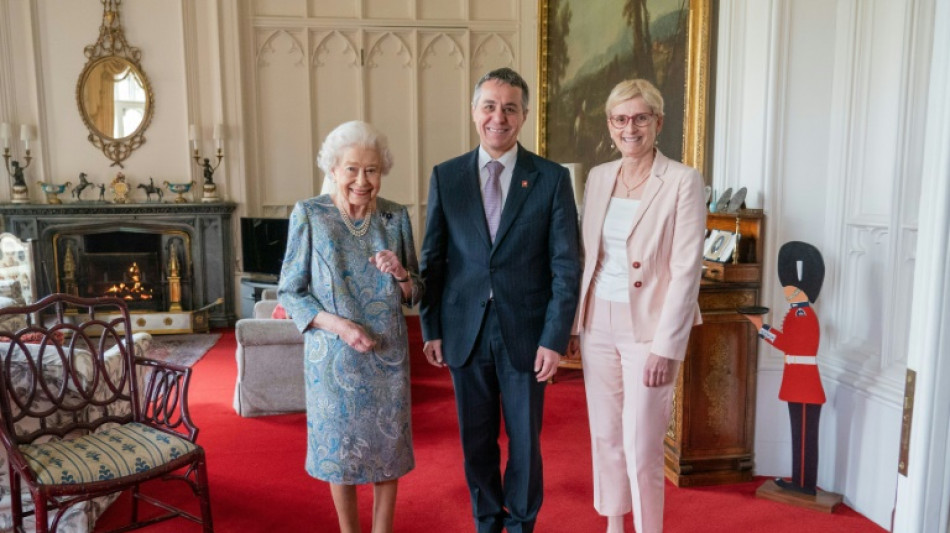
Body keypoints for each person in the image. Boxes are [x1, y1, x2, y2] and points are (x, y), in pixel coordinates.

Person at [419, 67, 581, 533]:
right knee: (476, 441)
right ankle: (486, 522)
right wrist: (431, 327)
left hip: (528, 335)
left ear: (524, 115)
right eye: (489, 106)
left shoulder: (550, 179)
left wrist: (555, 337)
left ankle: (521, 525)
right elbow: (433, 259)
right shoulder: (446, 177)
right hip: (464, 332)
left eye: (510, 108)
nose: (499, 117)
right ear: (474, 113)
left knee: (525, 443)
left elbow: (566, 264)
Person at [567, 79, 706, 533]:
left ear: (658, 123)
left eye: (641, 118)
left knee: (642, 443)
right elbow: (589, 257)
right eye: (621, 119)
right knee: (606, 435)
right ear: (610, 125)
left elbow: (687, 270)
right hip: (597, 323)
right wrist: (575, 323)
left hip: (649, 328)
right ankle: (613, 524)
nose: (631, 127)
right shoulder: (600, 177)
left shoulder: (683, 180)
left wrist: (668, 346)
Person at [277, 120, 422, 533]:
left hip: (387, 355)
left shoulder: (395, 218)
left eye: (372, 170)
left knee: (388, 450)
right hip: (332, 355)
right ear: (334, 170)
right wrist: (338, 326)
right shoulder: (310, 214)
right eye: (352, 169)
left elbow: (417, 292)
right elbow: (290, 291)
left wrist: (402, 275)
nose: (362, 180)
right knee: (340, 454)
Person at [742, 241, 826, 496]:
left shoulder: (803, 315)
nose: (787, 294)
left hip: (803, 383)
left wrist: (761, 327)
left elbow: (789, 344)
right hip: (799, 381)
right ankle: (800, 481)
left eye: (791, 291)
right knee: (800, 435)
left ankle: (804, 485)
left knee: (803, 437)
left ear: (802, 291)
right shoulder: (797, 313)